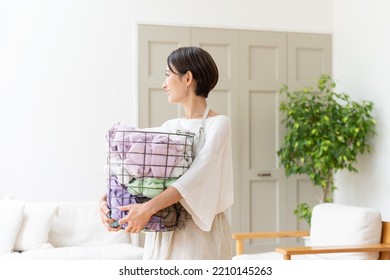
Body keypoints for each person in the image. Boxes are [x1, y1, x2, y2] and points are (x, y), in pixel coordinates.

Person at [99, 46, 234, 260]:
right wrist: (108, 201)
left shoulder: (218, 124)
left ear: (187, 78)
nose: (164, 84)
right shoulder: (169, 127)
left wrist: (147, 209)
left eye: (167, 75)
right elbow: (140, 174)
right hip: (163, 224)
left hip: (199, 234)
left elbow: (198, 175)